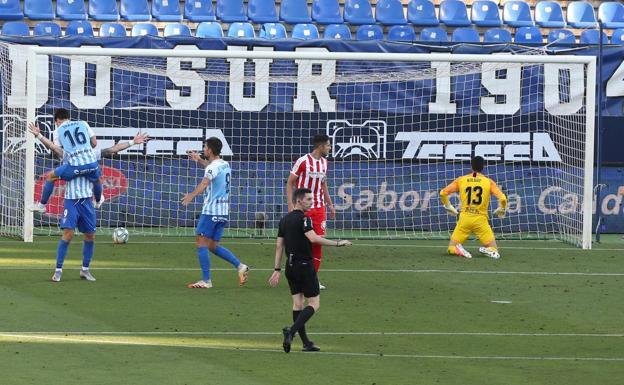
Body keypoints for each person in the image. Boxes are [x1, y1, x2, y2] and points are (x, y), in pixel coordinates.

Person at [269, 188, 352, 353]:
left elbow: (279, 246)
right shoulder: (305, 219)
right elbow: (313, 239)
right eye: (308, 199)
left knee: (297, 304)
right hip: (304, 267)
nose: (311, 202)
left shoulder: (284, 220)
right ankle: (291, 332)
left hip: (289, 267)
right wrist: (338, 243)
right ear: (299, 201)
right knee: (314, 304)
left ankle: (306, 343)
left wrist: (277, 269)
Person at [182, 137, 249, 289]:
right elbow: (211, 169)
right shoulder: (224, 164)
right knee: (212, 245)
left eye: (205, 147)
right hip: (223, 211)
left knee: (200, 242)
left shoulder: (213, 168)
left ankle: (206, 280)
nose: (204, 149)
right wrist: (199, 159)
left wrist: (191, 195)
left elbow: (205, 181)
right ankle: (240, 266)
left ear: (210, 150)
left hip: (211, 211)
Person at [28, 109, 104, 214]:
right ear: (68, 118)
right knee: (97, 179)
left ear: (57, 121)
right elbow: (94, 143)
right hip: (91, 163)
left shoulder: (58, 131)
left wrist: (39, 136)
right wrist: (84, 151)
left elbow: (57, 151)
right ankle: (99, 200)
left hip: (74, 166)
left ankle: (41, 205)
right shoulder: (83, 123)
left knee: (51, 176)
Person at [287, 134, 336, 290]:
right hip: (304, 208)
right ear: (320, 146)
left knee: (318, 243)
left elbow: (323, 185)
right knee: (301, 243)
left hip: (319, 208)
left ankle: (312, 278)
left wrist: (330, 204)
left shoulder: (324, 163)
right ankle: (296, 274)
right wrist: (291, 205)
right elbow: (289, 183)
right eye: (328, 145)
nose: (330, 148)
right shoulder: (302, 161)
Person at [439, 156, 507, 259]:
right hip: (481, 220)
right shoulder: (488, 182)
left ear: (471, 166)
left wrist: (448, 206)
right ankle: (488, 250)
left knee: (451, 248)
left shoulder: (461, 180)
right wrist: (502, 209)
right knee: (494, 249)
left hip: (464, 219)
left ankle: (459, 250)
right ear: (483, 167)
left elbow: (443, 193)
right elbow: (503, 199)